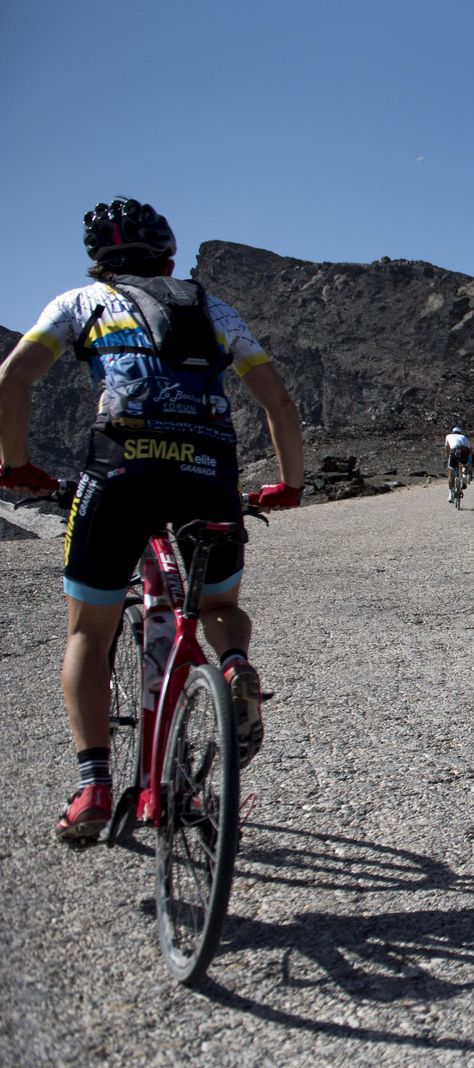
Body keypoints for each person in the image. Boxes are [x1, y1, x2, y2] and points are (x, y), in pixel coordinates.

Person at [0, 198, 304, 844]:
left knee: (88, 631)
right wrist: (290, 483)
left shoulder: (81, 305)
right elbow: (277, 400)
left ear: (100, 265)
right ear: (168, 258)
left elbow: (12, 380)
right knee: (219, 605)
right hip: (206, 472)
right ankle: (232, 666)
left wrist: (18, 466)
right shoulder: (213, 310)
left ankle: (93, 786)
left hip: (119, 475)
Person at [444, 425, 474, 501]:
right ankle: (464, 477)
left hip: (454, 452)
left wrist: (448, 458)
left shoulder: (448, 436)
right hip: (464, 452)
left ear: (453, 432)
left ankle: (451, 494)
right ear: (460, 433)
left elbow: (447, 448)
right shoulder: (464, 437)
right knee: (464, 464)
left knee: (451, 474)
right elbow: (470, 450)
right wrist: (469, 461)